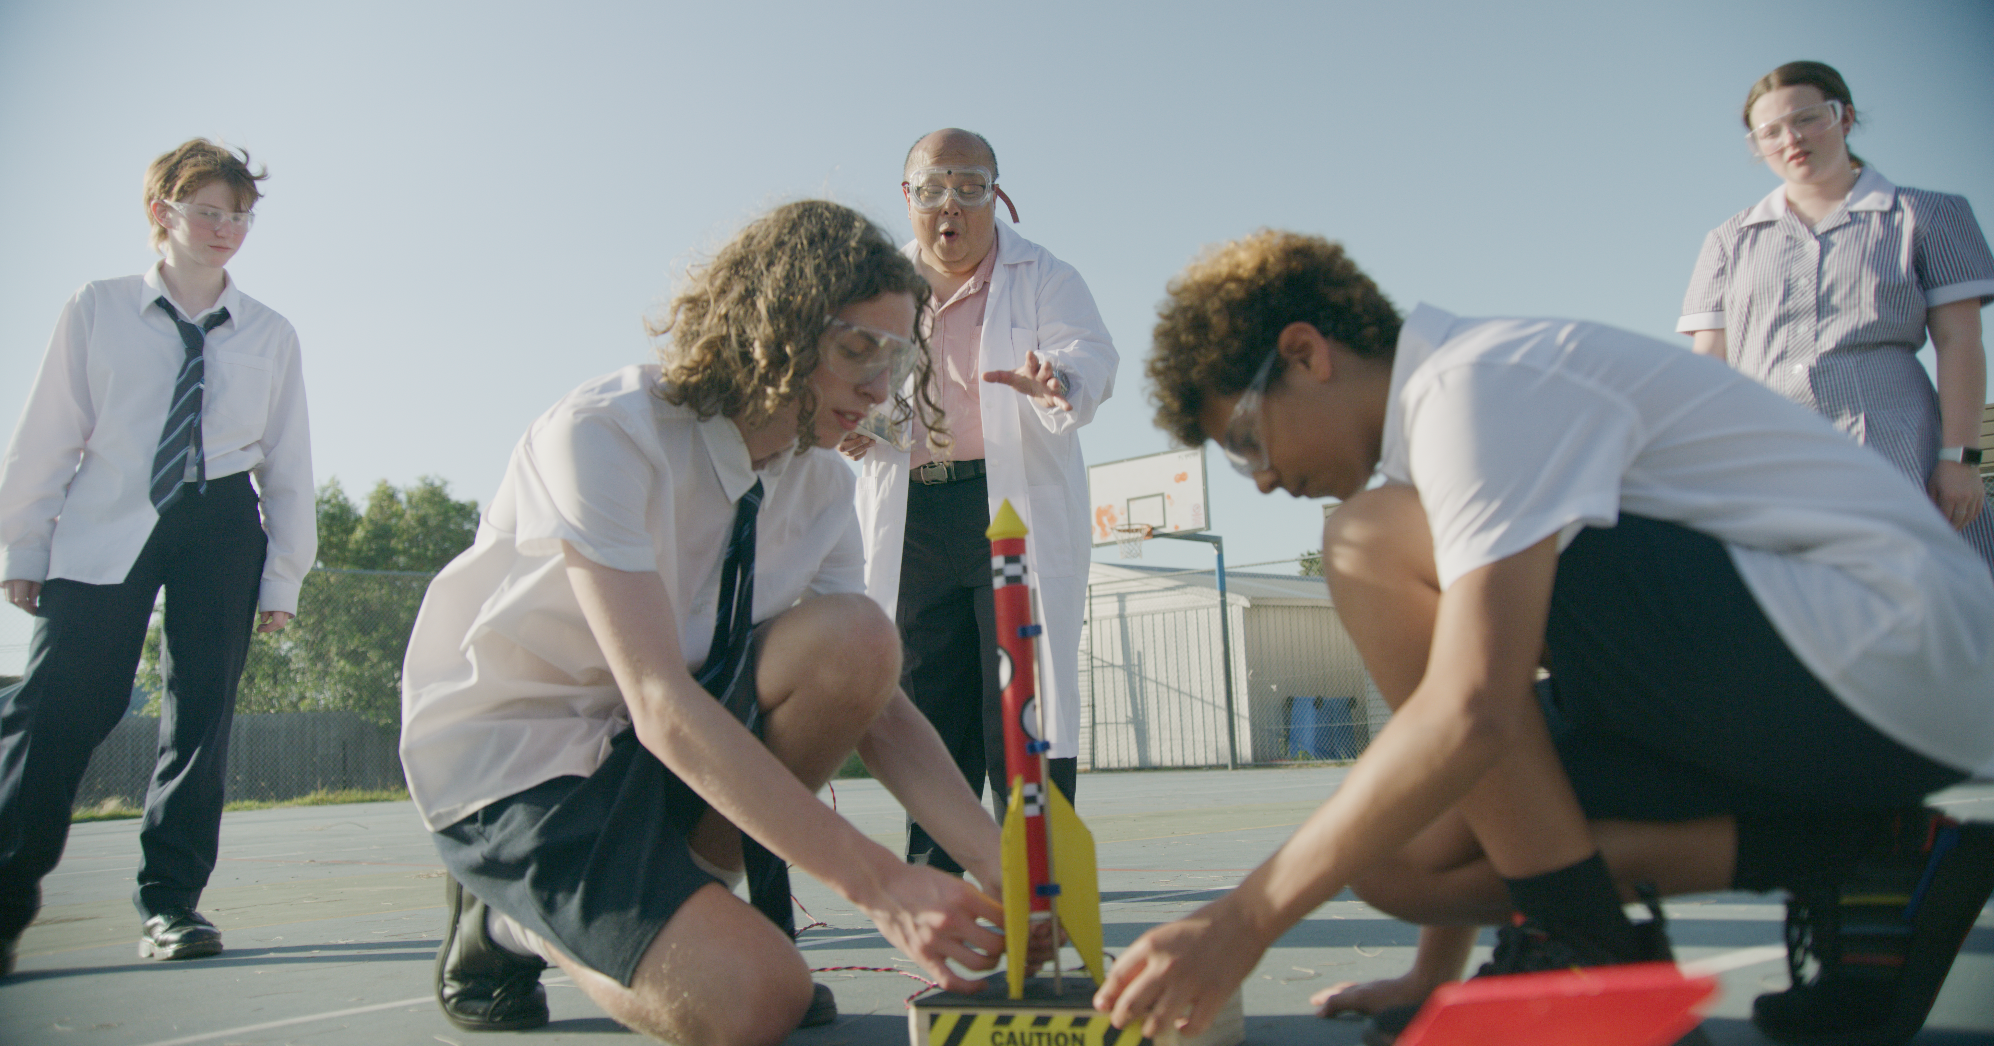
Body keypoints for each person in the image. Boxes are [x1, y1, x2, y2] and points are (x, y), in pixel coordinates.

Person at [1092, 229, 1994, 1046]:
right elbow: (1473, 736)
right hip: (1849, 694)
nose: (1258, 479)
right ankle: (1869, 853)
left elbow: (1474, 712)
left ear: (1305, 353)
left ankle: (1587, 950)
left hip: (1887, 642)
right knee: (1401, 861)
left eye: (1245, 441)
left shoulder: (1474, 386)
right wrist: (1431, 976)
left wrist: (1243, 922)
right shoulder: (1442, 433)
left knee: (1364, 540)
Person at [400, 200, 1033, 1044]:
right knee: (757, 999)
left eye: (896, 358)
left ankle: (679, 896)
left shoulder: (822, 486)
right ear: (779, 325)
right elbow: (660, 700)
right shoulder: (606, 434)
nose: (880, 389)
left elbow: (876, 702)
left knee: (856, 639)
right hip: (525, 763)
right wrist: (883, 885)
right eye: (858, 351)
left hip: (654, 746)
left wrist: (1005, 864)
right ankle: (511, 921)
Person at [0, 140, 314, 976]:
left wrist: (283, 574)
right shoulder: (96, 308)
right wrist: (24, 541)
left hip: (221, 522)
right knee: (59, 705)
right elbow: (47, 434)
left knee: (200, 714)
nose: (227, 229)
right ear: (160, 212)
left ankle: (171, 903)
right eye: (209, 211)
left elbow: (289, 463)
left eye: (240, 216)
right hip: (106, 513)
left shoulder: (270, 333)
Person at [842, 129, 1117, 874]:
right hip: (915, 516)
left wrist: (1057, 380)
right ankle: (938, 883)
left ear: (998, 195)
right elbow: (845, 375)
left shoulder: (1044, 276)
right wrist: (856, 421)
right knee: (928, 708)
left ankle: (1039, 888)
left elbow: (1091, 354)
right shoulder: (877, 285)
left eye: (970, 187)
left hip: (1010, 510)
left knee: (1024, 704)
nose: (951, 206)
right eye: (932, 189)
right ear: (907, 198)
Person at [1681, 60, 1994, 571]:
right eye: (1771, 132)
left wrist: (1960, 460)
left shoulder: (1928, 214)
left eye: (1808, 118)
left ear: (1845, 117)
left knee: (1925, 597)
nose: (1791, 139)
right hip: (1769, 467)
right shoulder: (1726, 242)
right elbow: (1708, 369)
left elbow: (1960, 342)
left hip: (1897, 457)